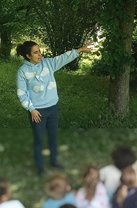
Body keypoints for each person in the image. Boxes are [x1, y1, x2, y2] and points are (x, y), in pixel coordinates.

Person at [16, 40, 92, 176]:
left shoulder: (48, 63)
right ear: (28, 56)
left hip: (53, 109)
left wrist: (80, 50)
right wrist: (31, 109)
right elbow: (22, 94)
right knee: (39, 139)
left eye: (39, 51)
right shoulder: (23, 71)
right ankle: (40, 167)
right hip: (37, 112)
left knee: (53, 137)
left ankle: (54, 161)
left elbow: (63, 57)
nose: (40, 54)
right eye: (36, 52)